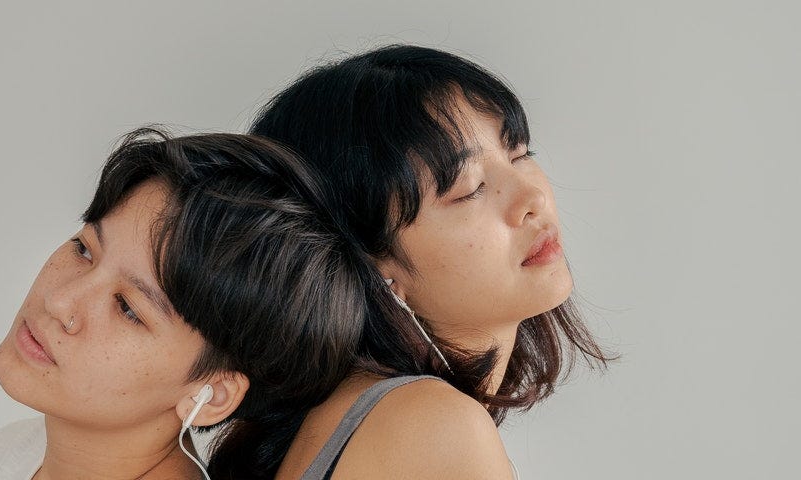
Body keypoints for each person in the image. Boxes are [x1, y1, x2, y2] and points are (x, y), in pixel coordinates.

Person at [215, 44, 613, 479]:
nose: (532, 198)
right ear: (371, 267)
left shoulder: (362, 416)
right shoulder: (431, 423)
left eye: (519, 154)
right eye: (469, 188)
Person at [0, 129, 380, 480]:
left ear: (211, 396)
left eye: (128, 308)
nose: (60, 300)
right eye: (84, 249)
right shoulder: (12, 455)